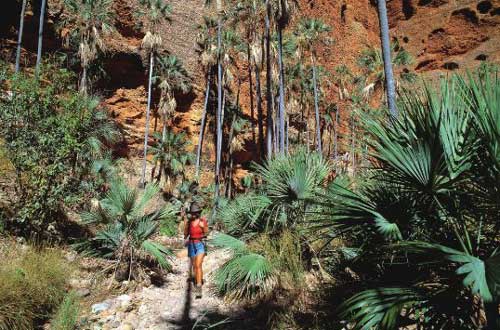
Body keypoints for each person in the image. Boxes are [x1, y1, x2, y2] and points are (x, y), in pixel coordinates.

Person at [183, 202, 208, 299]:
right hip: (191, 245)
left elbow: (206, 233)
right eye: (192, 213)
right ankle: (197, 280)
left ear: (198, 213)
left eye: (195, 213)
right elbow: (185, 235)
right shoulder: (189, 223)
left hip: (200, 244)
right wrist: (185, 225)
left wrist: (203, 227)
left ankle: (198, 287)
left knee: (198, 265)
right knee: (194, 266)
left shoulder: (203, 221)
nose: (193, 214)